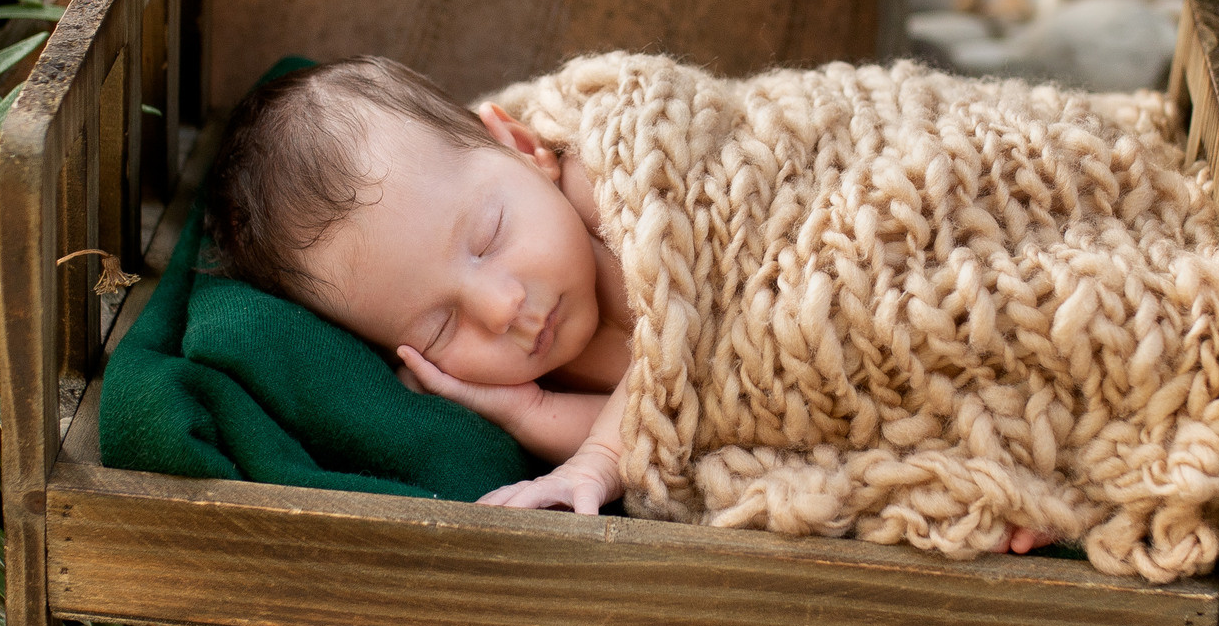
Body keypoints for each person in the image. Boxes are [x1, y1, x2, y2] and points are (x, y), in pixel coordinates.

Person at [200, 55, 1068, 548]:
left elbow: (700, 339)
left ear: (519, 145)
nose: (505, 306)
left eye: (491, 234)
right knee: (883, 409)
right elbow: (679, 415)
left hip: (850, 228)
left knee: (952, 312)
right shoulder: (536, 360)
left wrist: (593, 464)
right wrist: (532, 410)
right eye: (439, 325)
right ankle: (996, 459)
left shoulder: (611, 193)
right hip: (819, 363)